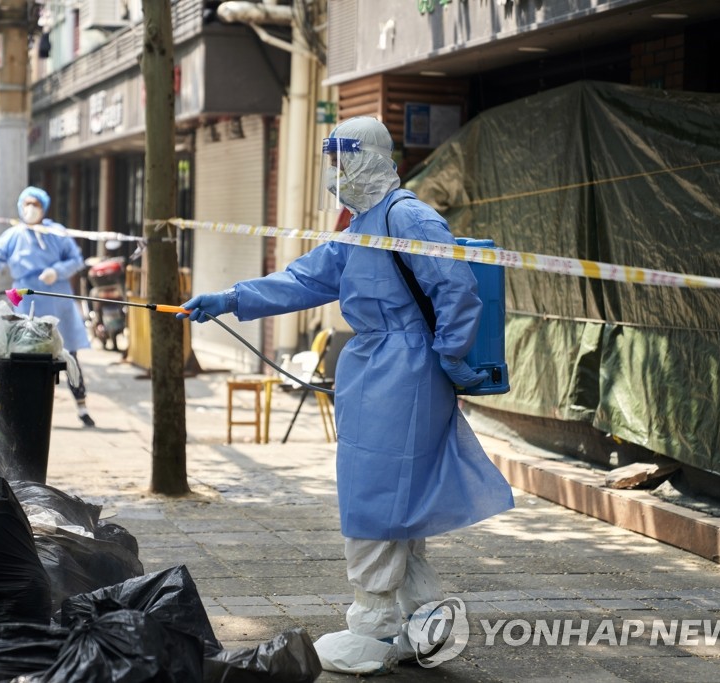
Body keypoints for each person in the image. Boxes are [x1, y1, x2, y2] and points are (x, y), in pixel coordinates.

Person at [179, 116, 514, 675]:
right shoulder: (362, 224)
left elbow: (454, 287)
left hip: (406, 369)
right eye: (332, 159)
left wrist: (453, 356)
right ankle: (421, 619)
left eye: (344, 157)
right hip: (375, 368)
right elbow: (307, 279)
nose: (336, 171)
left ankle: (374, 627)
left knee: (378, 496)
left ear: (372, 157)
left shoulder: (407, 215)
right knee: (395, 500)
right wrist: (233, 298)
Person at [0, 186, 96, 427]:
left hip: (57, 298)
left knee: (69, 354)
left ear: (44, 207)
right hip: (26, 300)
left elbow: (76, 260)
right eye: (27, 203)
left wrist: (57, 271)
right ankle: (27, 407)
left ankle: (82, 408)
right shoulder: (14, 235)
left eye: (36, 204)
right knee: (26, 354)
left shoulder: (57, 233)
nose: (31, 209)